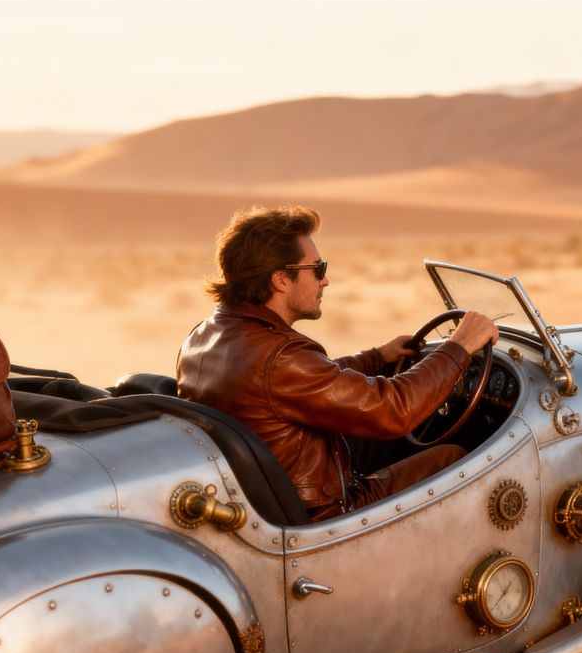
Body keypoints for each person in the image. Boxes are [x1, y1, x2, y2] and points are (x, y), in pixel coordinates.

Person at [178, 205, 498, 522]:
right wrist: (459, 347)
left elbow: (310, 378)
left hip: (270, 502)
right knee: (453, 458)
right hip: (327, 515)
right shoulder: (279, 356)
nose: (326, 280)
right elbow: (394, 411)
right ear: (281, 280)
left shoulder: (205, 336)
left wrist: (377, 358)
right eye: (317, 268)